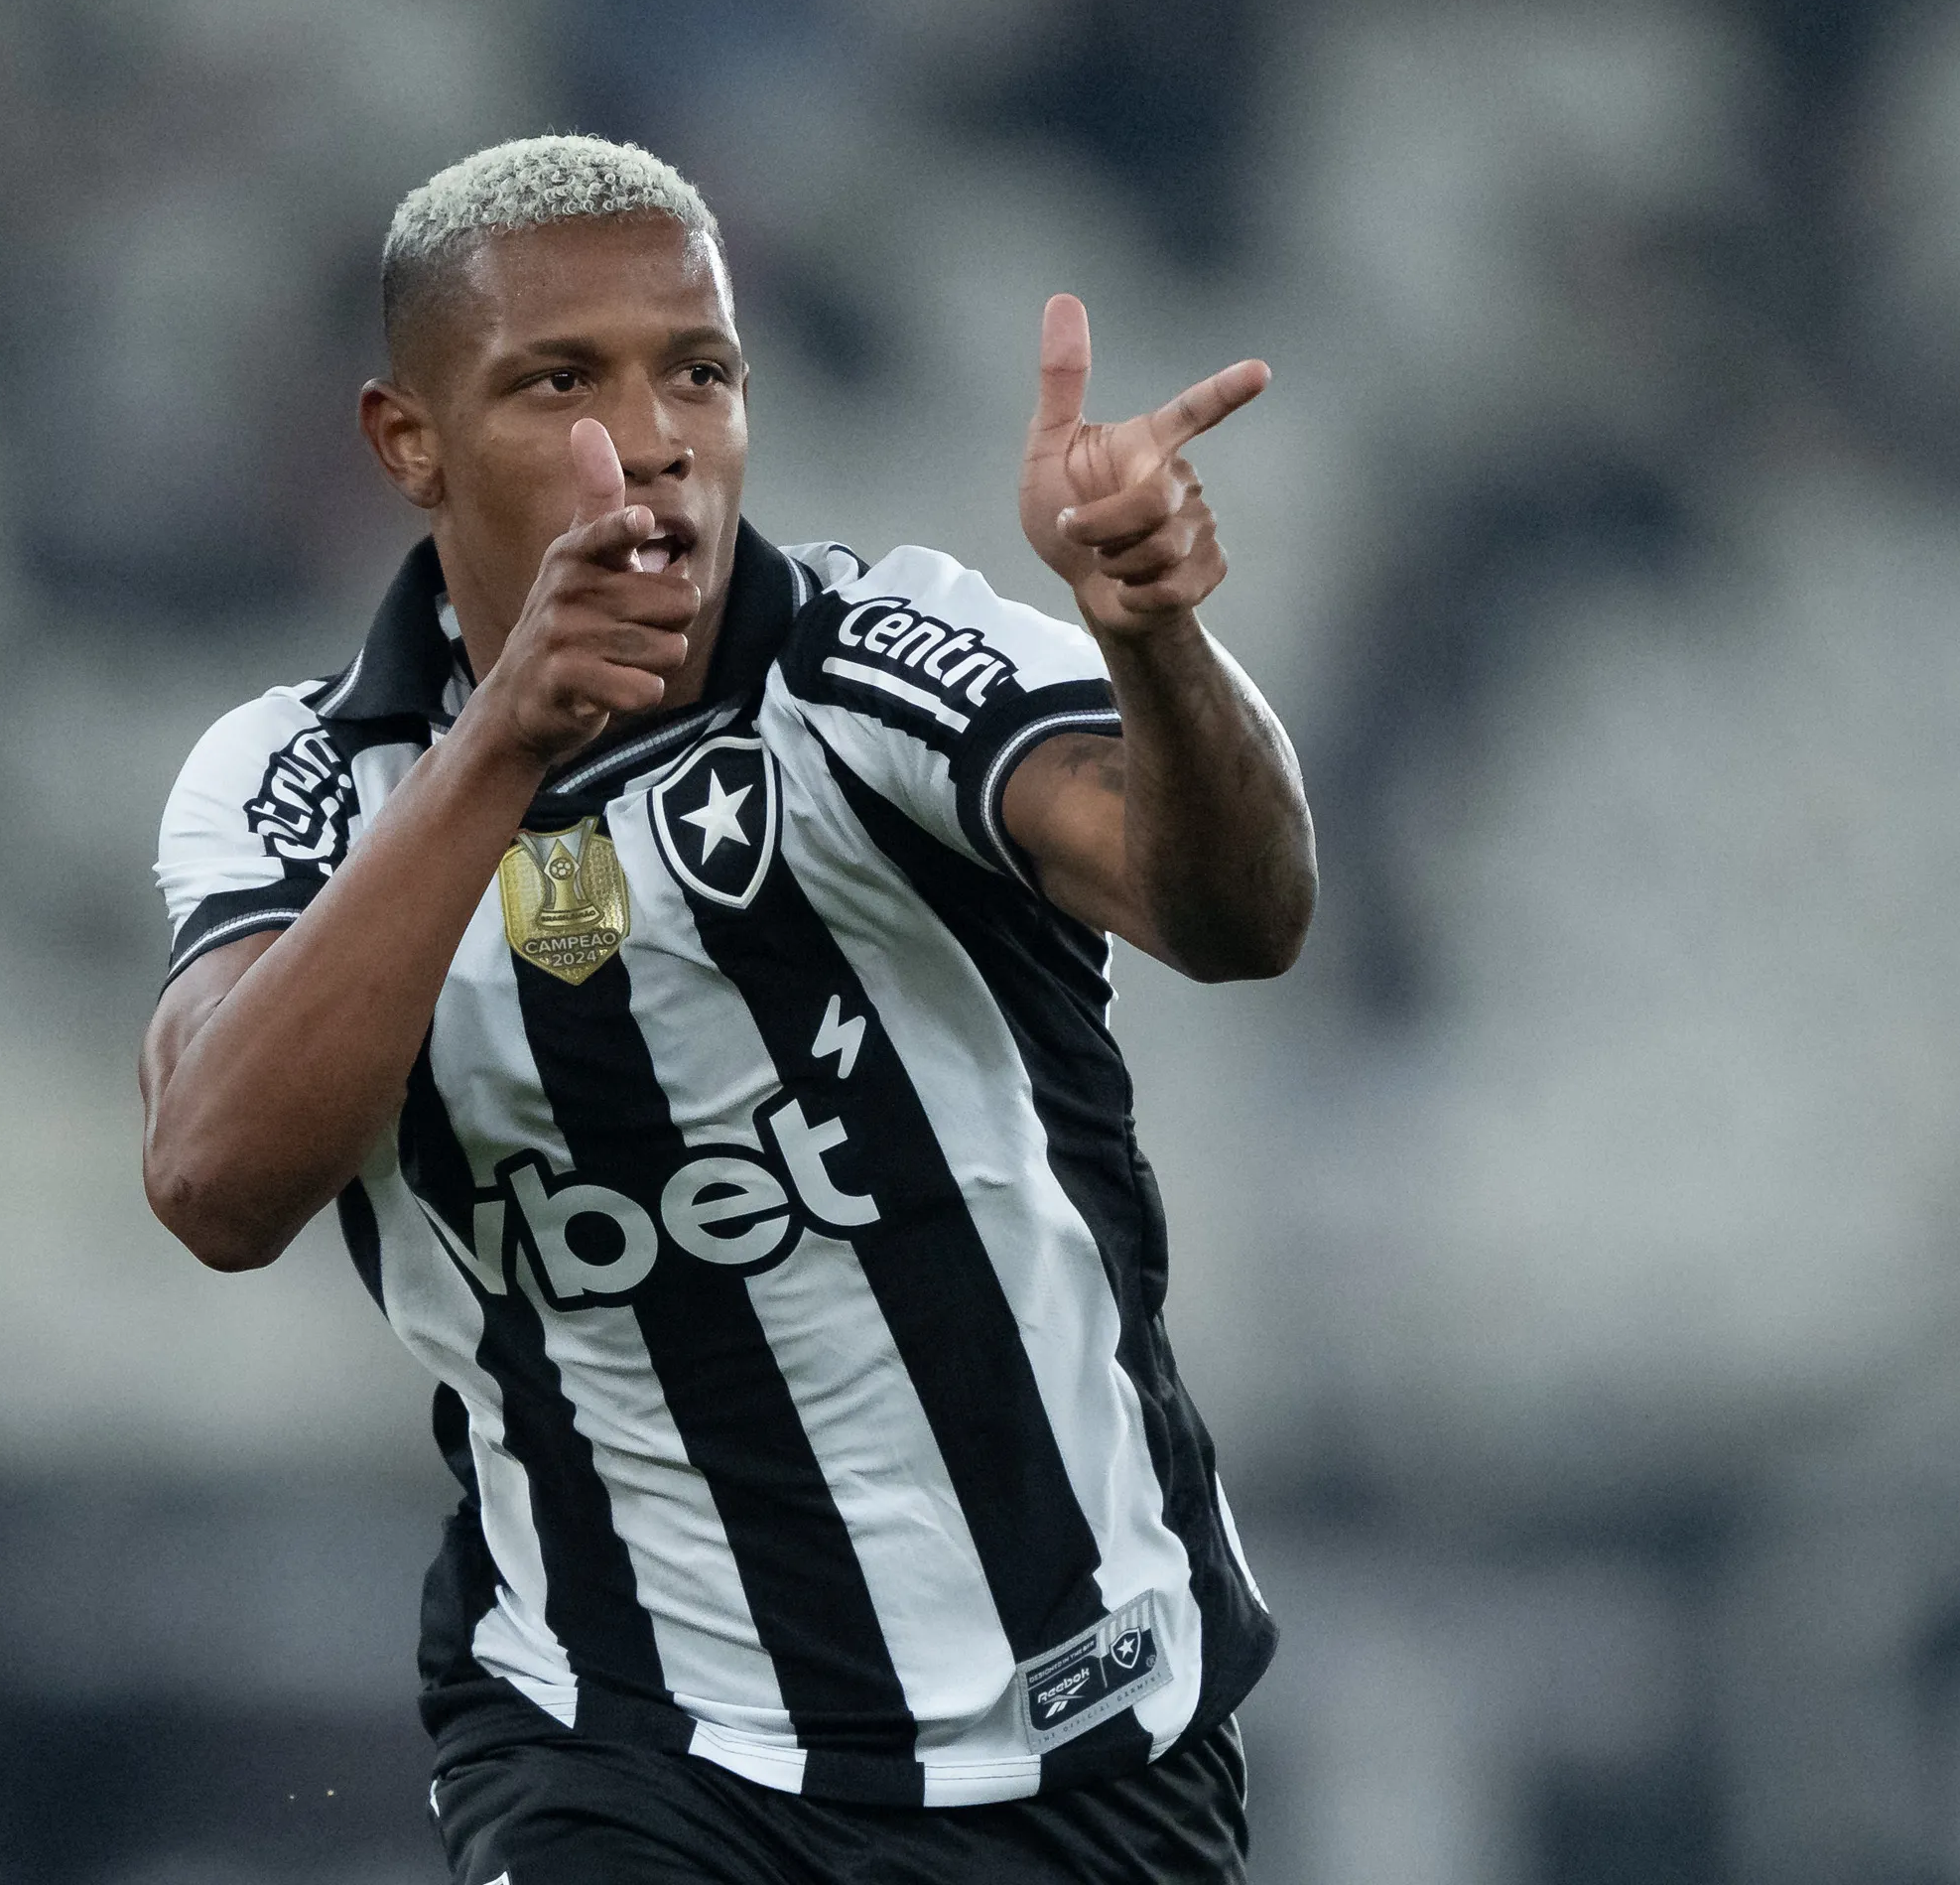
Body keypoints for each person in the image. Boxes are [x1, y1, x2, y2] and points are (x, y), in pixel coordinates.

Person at [138, 135, 1312, 1885]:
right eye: (561, 381)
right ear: (411, 444)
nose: (661, 433)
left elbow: (1239, 914)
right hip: (622, 1743)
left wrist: (1152, 640)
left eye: (701, 368)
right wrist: (506, 746)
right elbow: (216, 1185)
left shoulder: (882, 664)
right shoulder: (299, 780)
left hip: (1074, 1728)